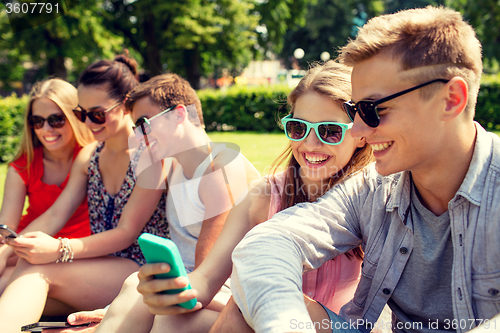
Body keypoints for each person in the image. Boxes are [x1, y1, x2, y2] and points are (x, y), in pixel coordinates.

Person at [229, 6, 500, 333]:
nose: (356, 131)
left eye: (372, 109)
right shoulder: (374, 189)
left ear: (451, 99)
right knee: (243, 307)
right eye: (355, 110)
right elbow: (267, 245)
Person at [134, 60, 374, 333]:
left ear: (360, 134)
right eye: (298, 128)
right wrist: (174, 288)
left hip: (345, 327)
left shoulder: (372, 196)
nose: (309, 144)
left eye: (329, 131)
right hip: (269, 320)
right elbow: (204, 280)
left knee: (246, 299)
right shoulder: (262, 195)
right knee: (170, 319)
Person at [48, 72, 260, 333]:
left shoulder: (219, 168)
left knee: (162, 315)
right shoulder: (172, 166)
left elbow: (207, 278)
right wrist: (113, 310)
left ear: (180, 114)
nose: (139, 136)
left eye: (144, 124)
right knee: (132, 286)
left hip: (231, 298)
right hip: (182, 289)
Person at [0, 52, 168, 333]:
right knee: (22, 272)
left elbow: (127, 233)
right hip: (101, 266)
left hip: (142, 269)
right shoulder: (90, 155)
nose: (88, 123)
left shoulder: (151, 155)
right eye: (81, 113)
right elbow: (56, 214)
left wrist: (59, 249)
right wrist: (8, 248)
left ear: (126, 104)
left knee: (34, 270)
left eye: (97, 114)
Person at [0, 78, 94, 293]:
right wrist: (4, 249)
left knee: (7, 281)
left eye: (56, 120)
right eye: (38, 121)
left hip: (75, 250)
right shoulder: (23, 166)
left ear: (74, 117)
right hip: (27, 245)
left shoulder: (92, 157)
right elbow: (7, 229)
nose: (47, 129)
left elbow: (56, 215)